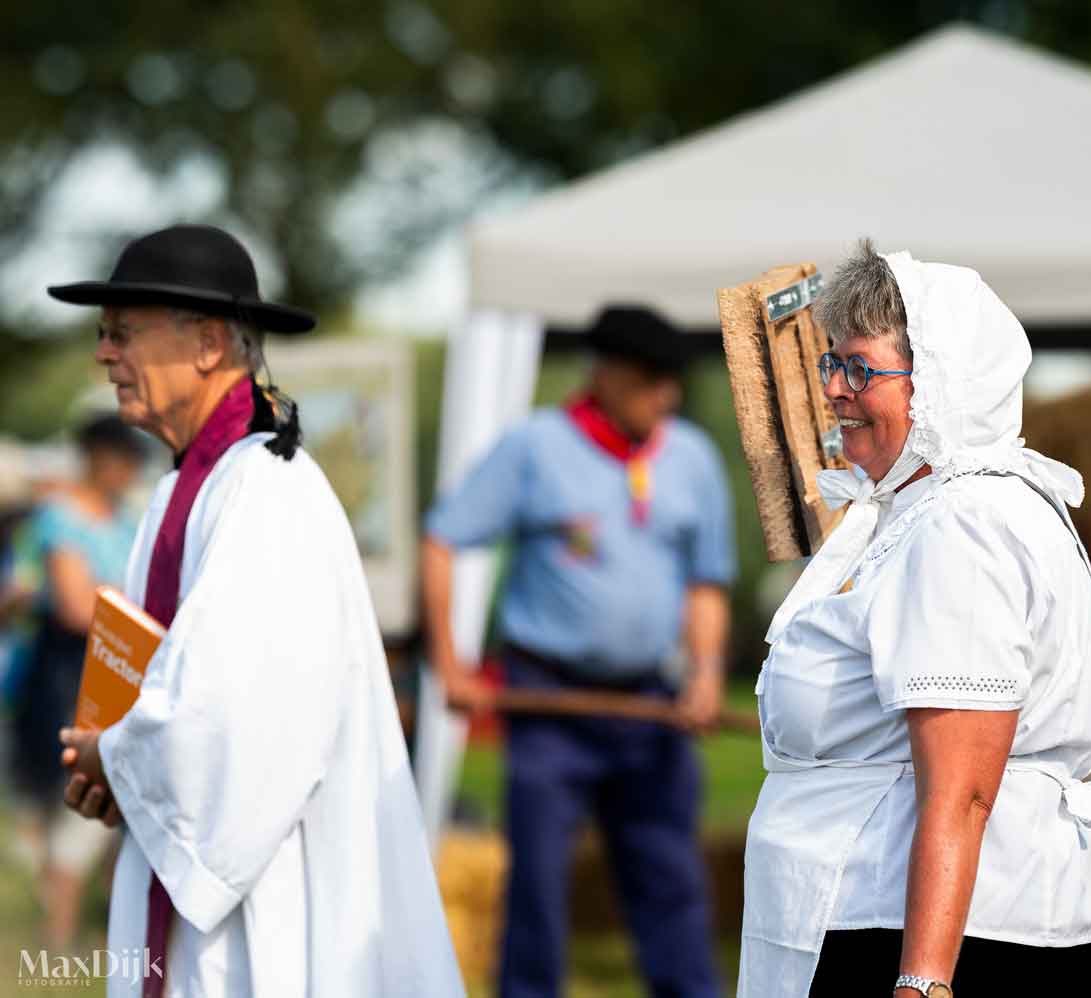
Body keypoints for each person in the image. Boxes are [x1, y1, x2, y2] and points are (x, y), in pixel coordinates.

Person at [47, 224, 463, 997]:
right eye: (104, 335)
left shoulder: (267, 491)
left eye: (123, 333)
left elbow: (233, 716)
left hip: (268, 888)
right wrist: (119, 775)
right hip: (209, 867)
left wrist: (120, 759)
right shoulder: (182, 490)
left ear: (208, 343)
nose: (104, 354)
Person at [739, 242, 1091, 998]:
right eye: (831, 367)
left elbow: (962, 791)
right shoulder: (929, 510)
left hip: (946, 936)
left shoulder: (964, 524)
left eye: (861, 370)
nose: (837, 393)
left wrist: (922, 981)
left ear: (944, 383)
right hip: (905, 915)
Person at [422, 305, 736, 998]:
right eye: (652, 380)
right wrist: (450, 665)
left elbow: (706, 583)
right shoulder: (534, 447)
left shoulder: (690, 459)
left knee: (672, 881)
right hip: (549, 705)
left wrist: (707, 675)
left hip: (651, 707)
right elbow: (443, 539)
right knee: (535, 886)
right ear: (607, 373)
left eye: (672, 381)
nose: (668, 396)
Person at [8, 414, 145, 946]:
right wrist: (120, 605)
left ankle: (90, 931)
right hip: (66, 680)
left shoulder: (125, 520)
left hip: (113, 676)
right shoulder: (59, 519)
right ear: (98, 457)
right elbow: (74, 606)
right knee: (75, 802)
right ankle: (58, 941)